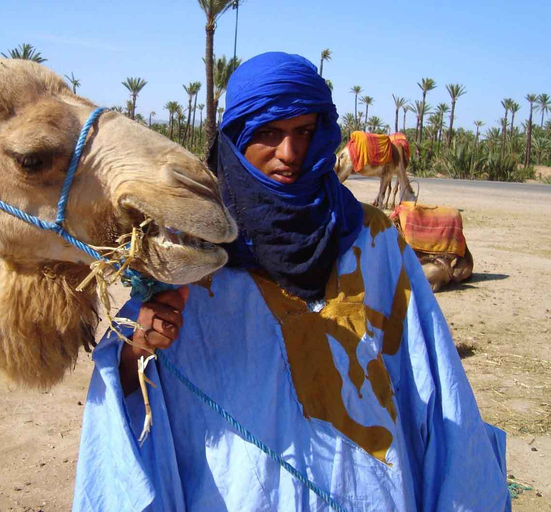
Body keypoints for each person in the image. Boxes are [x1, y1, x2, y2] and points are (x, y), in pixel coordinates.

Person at [72, 52, 510, 511]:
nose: (290, 153)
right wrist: (136, 347)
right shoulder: (190, 249)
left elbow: (433, 383)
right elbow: (128, 385)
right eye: (268, 133)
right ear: (236, 138)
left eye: (304, 132)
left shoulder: (374, 240)